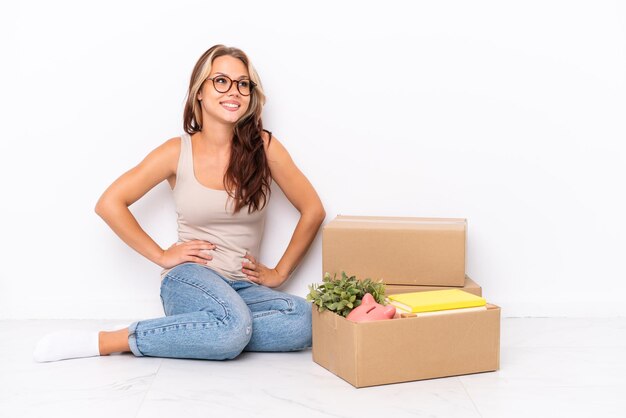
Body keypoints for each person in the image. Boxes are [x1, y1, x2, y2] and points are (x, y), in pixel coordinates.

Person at [33, 45, 325, 362]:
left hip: (242, 287)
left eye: (243, 83)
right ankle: (113, 340)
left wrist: (280, 273)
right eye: (221, 81)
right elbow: (110, 203)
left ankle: (194, 332)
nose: (234, 91)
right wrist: (161, 255)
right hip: (190, 279)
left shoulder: (264, 147)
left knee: (304, 321)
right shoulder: (176, 151)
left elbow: (313, 210)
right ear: (199, 91)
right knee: (231, 328)